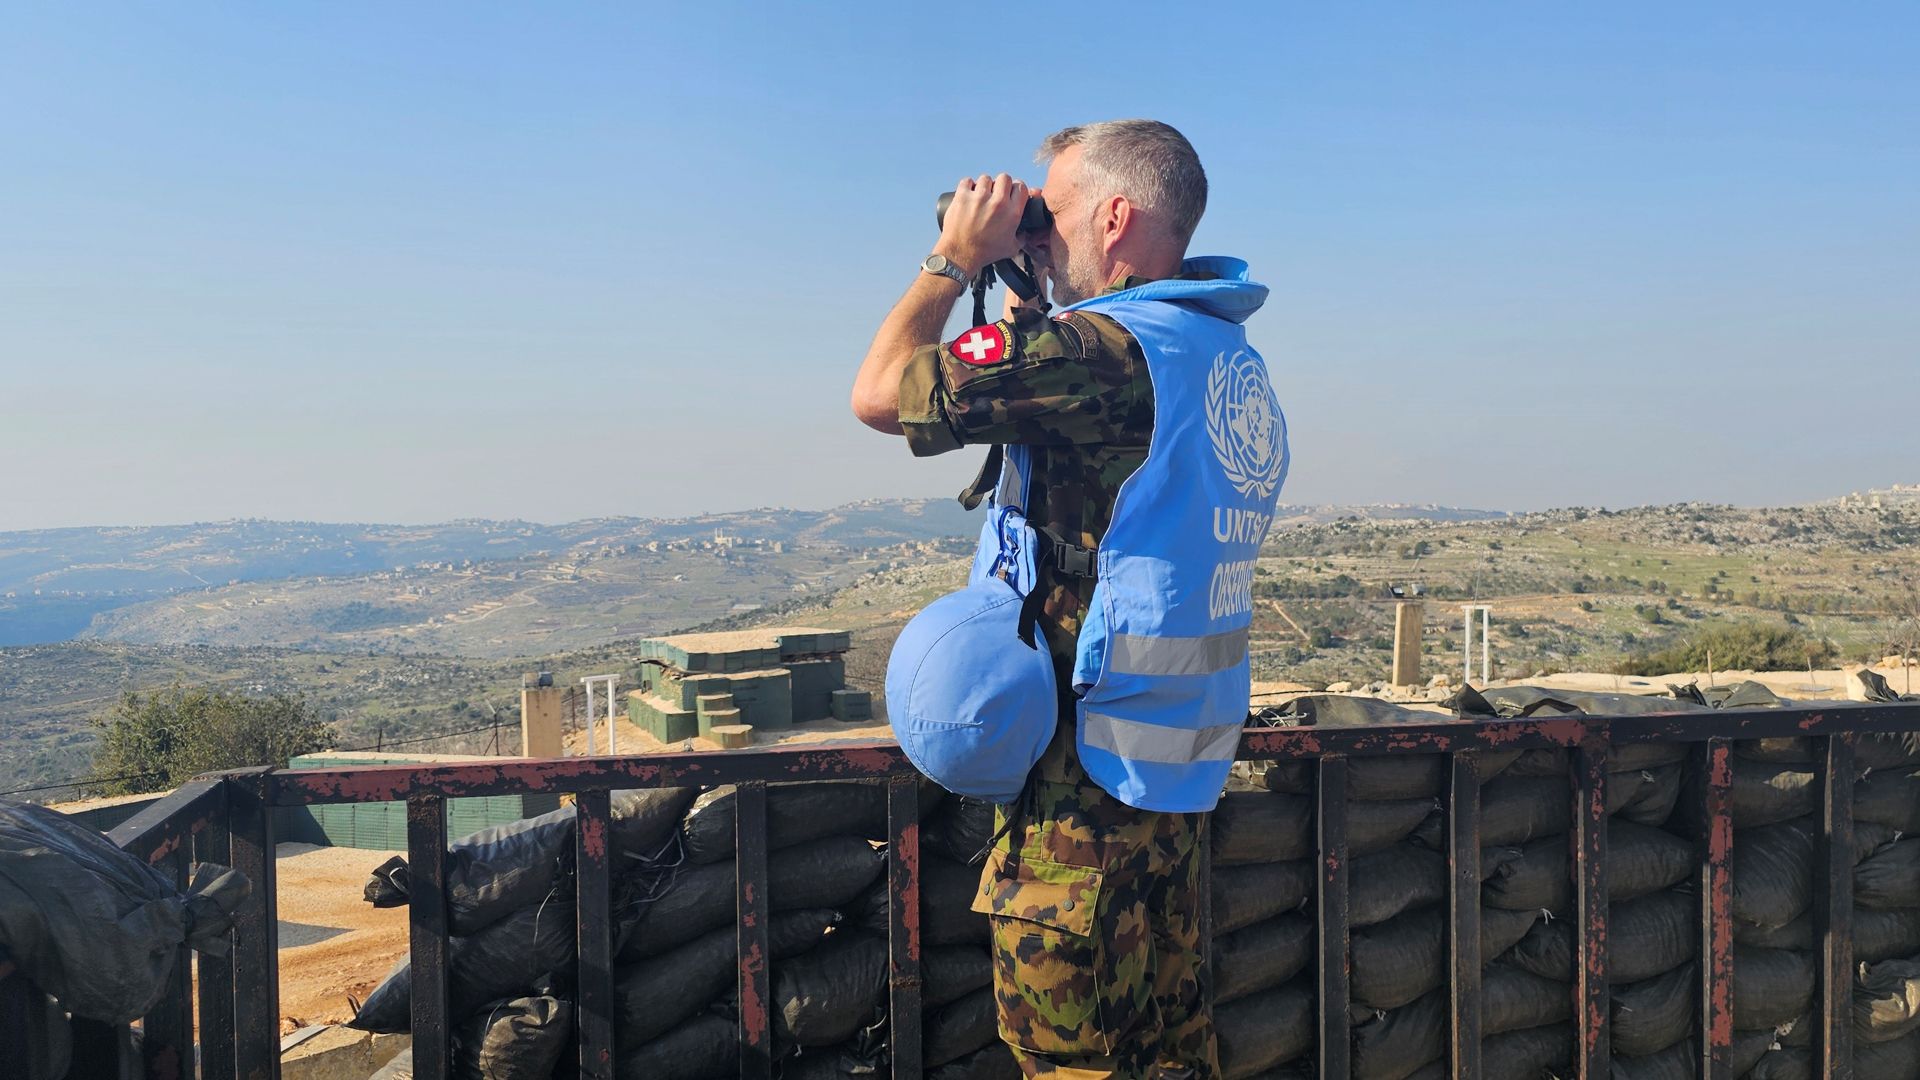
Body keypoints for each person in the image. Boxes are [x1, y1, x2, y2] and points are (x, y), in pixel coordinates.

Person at [852, 120, 1287, 1080]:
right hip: (1166, 778)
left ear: (1117, 215)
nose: (1038, 231)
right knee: (1168, 1053)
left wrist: (948, 261)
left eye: (1053, 212)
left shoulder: (1100, 357)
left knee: (1074, 1060)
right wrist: (1024, 287)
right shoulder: (1220, 358)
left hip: (1080, 810)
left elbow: (882, 390)